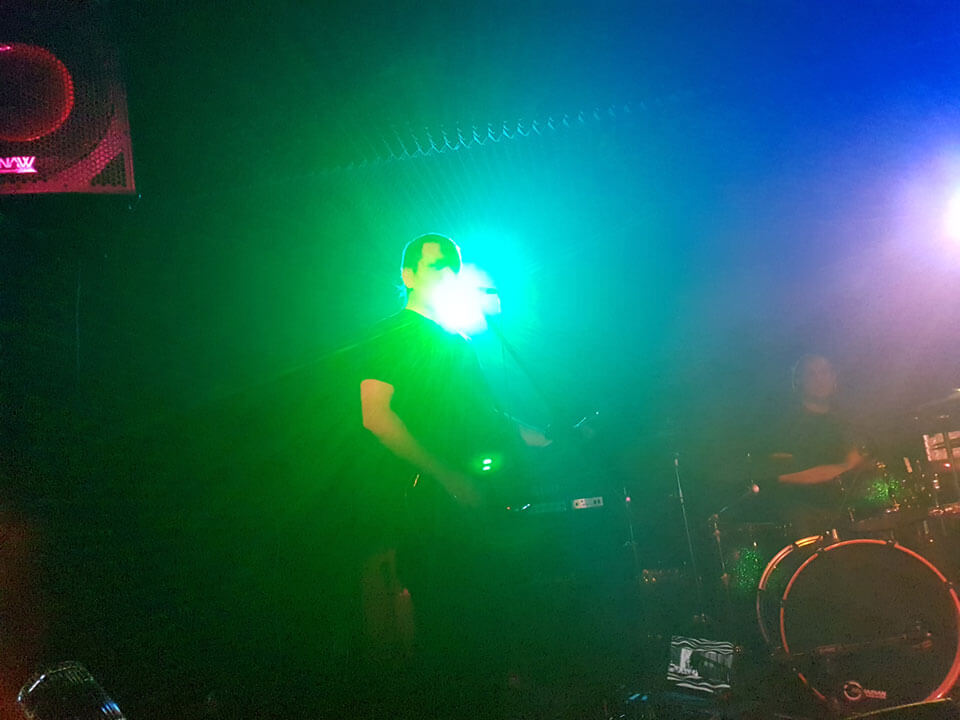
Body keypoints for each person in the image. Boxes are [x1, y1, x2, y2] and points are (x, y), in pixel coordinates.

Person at [353, 233, 542, 718]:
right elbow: (376, 416)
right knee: (447, 637)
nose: (449, 273)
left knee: (483, 631)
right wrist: (446, 476)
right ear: (408, 274)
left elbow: (483, 418)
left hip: (469, 507)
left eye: (454, 267)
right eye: (437, 264)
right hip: (429, 509)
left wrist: (539, 436)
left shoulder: (457, 340)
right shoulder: (392, 333)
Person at [768, 354, 864, 536]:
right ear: (799, 381)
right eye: (811, 374)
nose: (819, 379)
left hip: (850, 510)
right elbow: (781, 476)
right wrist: (843, 467)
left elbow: (861, 458)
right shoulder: (786, 424)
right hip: (807, 516)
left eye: (824, 372)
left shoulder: (845, 418)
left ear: (834, 376)